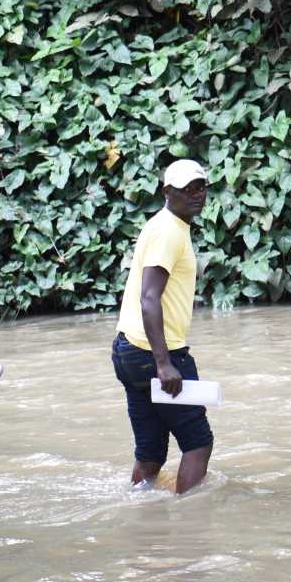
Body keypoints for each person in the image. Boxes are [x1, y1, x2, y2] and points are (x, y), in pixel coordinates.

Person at [111, 158, 214, 494]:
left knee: (151, 453)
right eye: (188, 189)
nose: (196, 195)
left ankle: (142, 515)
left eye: (201, 188)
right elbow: (149, 298)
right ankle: (189, 529)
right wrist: (164, 362)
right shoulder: (169, 231)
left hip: (129, 350)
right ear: (168, 191)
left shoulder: (163, 225)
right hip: (155, 353)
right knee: (198, 443)